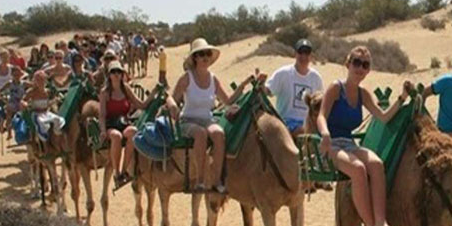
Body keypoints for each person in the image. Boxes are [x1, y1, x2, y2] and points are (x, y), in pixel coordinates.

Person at [315, 46, 409, 226]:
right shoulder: (335, 88)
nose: (360, 68)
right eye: (356, 62)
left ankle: (381, 222)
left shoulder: (362, 94)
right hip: (330, 144)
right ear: (347, 64)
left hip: (348, 143)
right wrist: (324, 134)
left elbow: (382, 117)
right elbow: (321, 115)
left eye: (365, 65)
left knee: (376, 164)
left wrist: (401, 99)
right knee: (357, 169)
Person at [166, 38, 251, 194]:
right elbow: (172, 97)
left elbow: (227, 100)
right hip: (188, 120)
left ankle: (217, 180)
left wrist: (243, 86)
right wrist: (172, 105)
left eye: (207, 53)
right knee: (201, 134)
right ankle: (200, 180)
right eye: (201, 54)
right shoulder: (187, 78)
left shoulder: (213, 79)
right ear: (195, 58)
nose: (205, 57)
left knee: (218, 133)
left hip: (207, 119)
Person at [99, 60, 148, 187]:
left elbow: (140, 104)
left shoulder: (126, 88)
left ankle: (125, 170)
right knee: (117, 136)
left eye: (119, 72)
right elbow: (102, 114)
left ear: (122, 74)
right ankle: (116, 172)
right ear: (109, 75)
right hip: (111, 124)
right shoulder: (105, 93)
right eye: (113, 72)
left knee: (133, 132)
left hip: (124, 121)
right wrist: (103, 130)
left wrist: (153, 95)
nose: (116, 75)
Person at [265, 38, 324, 137]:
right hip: (286, 122)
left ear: (311, 55)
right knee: (304, 133)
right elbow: (268, 91)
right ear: (295, 54)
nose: (304, 56)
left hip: (309, 123)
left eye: (307, 53)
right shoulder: (283, 73)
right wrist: (261, 84)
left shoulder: (316, 78)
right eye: (301, 52)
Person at [22, 71, 67, 150]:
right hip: (37, 114)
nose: (41, 83)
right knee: (42, 124)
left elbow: (49, 103)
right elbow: (23, 100)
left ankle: (57, 141)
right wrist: (24, 103)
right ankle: (45, 146)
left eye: (43, 80)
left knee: (58, 120)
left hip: (46, 113)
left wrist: (55, 100)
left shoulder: (47, 92)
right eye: (39, 80)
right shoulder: (31, 92)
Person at [0, 66, 29, 140]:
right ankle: (9, 133)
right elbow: (0, 90)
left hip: (21, 102)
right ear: (12, 75)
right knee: (9, 111)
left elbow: (34, 86)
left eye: (18, 75)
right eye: (15, 75)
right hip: (12, 102)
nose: (17, 77)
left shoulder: (24, 83)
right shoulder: (10, 83)